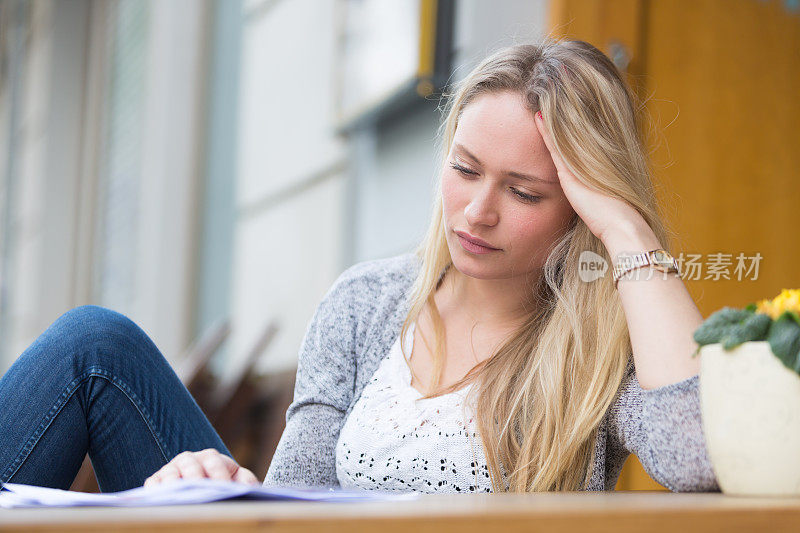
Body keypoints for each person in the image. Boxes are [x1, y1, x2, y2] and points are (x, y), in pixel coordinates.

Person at [0, 36, 720, 494]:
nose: (476, 212)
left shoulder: (603, 347)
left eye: (525, 191)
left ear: (579, 208)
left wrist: (623, 224)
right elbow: (295, 494)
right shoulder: (367, 301)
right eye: (465, 169)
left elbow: (696, 455)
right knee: (94, 346)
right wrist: (213, 477)